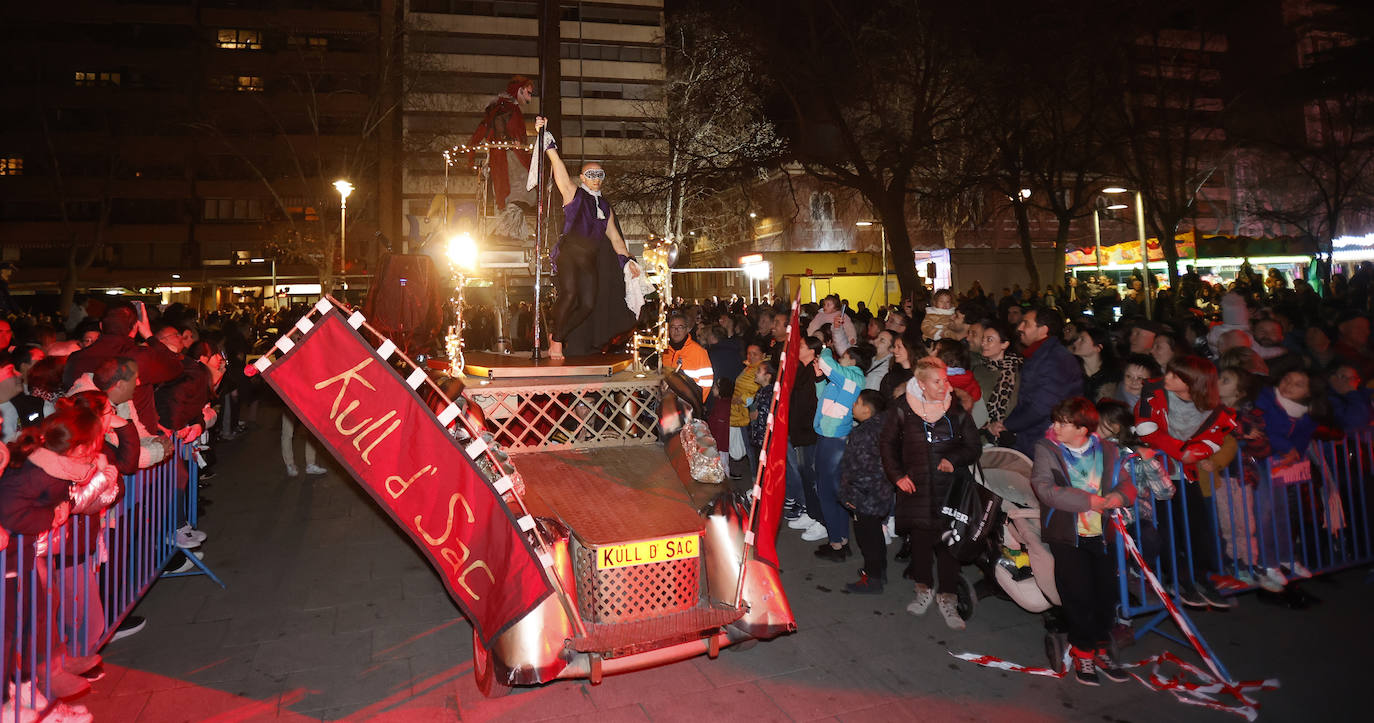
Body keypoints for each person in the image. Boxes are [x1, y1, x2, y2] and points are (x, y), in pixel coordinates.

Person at [1032, 398, 1136, 686]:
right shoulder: (1047, 449)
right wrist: (1087, 500)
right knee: (1078, 595)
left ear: (1081, 428)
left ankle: (1101, 648)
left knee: (1105, 594)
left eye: (1062, 423)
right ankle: (1083, 652)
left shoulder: (1108, 450)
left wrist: (1118, 497)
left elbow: (1126, 483)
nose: (1054, 427)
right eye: (1056, 421)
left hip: (1103, 534)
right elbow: (1045, 489)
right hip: (1068, 535)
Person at [880, 357, 981, 631]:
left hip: (950, 489)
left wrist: (955, 459)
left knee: (950, 545)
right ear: (922, 384)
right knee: (921, 543)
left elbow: (974, 446)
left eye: (945, 380)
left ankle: (947, 597)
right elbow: (887, 444)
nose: (944, 385)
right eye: (938, 381)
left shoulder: (956, 409)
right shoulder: (903, 409)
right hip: (916, 487)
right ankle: (923, 589)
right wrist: (898, 477)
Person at [1134, 355, 1237, 609]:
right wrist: (1182, 451)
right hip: (1156, 475)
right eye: (1169, 372)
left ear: (1193, 383)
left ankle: (1201, 578)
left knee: (1197, 527)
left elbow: (1215, 440)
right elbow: (1145, 428)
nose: (1166, 377)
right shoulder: (1152, 392)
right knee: (1166, 529)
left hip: (1188, 476)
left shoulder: (1214, 409)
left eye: (1175, 375)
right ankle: (1178, 580)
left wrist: (1196, 453)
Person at [534, 115, 642, 359]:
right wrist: (546, 141)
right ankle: (557, 342)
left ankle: (557, 335)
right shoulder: (574, 194)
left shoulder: (605, 205)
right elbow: (559, 171)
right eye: (590, 174)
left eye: (599, 174)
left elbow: (615, 239)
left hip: (588, 259)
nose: (595, 178)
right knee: (570, 294)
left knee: (588, 305)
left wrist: (629, 262)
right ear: (582, 178)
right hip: (570, 253)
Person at [988, 307, 1083, 457]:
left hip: (1043, 442)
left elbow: (1041, 407)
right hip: (1036, 439)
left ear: (1043, 330)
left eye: (1026, 323)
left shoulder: (1054, 359)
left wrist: (1007, 425)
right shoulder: (1040, 355)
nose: (1020, 328)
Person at [811, 343, 871, 560]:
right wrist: (819, 379)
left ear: (853, 360)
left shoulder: (852, 377)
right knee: (834, 492)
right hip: (829, 436)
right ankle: (841, 539)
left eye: (843, 356)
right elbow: (824, 402)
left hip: (833, 439)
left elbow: (828, 362)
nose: (839, 358)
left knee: (827, 493)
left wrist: (825, 347)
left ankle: (836, 543)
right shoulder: (845, 380)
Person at [466, 75, 537, 239]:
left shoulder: (505, 107)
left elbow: (482, 129)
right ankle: (509, 232)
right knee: (519, 193)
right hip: (509, 158)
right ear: (519, 90)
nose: (530, 97)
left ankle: (512, 232)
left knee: (516, 195)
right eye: (528, 92)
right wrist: (508, 141)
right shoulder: (506, 108)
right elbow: (492, 126)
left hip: (508, 156)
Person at [840, 390, 891, 594]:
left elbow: (855, 468)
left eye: (857, 403)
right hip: (883, 491)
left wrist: (849, 495)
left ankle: (872, 579)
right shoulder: (886, 426)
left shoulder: (862, 434)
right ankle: (879, 569)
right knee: (876, 533)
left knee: (866, 537)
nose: (853, 406)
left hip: (864, 495)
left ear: (867, 410)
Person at [974, 320, 1021, 447]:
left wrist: (1004, 424)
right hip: (981, 436)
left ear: (1004, 344)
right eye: (983, 339)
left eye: (989, 339)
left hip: (1010, 437)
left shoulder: (1018, 370)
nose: (983, 343)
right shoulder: (978, 370)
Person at [662, 312, 713, 403]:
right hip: (668, 405)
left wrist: (695, 405)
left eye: (680, 327)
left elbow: (707, 382)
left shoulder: (698, 351)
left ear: (687, 329)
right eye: (673, 327)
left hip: (689, 407)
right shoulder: (665, 351)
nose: (676, 330)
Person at [1070, 327, 1119, 401]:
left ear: (1098, 348)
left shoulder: (1113, 376)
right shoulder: (1070, 371)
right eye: (1077, 339)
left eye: (1082, 340)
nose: (1075, 342)